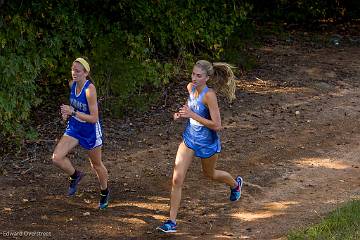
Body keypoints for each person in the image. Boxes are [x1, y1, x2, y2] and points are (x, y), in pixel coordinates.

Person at [157, 60, 243, 233]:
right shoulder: (190, 87)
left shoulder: (209, 95)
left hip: (207, 143)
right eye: (193, 74)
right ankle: (171, 222)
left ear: (207, 78)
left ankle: (235, 185)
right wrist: (182, 113)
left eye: (199, 76)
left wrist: (192, 115)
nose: (194, 78)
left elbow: (217, 125)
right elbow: (191, 106)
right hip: (189, 139)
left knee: (210, 174)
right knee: (176, 179)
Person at [52, 57, 109, 209]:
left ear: (86, 73)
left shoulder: (90, 90)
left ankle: (104, 192)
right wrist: (66, 113)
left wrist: (73, 112)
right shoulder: (72, 84)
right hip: (75, 127)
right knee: (57, 158)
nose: (74, 73)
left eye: (77, 71)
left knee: (96, 165)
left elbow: (94, 117)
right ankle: (75, 175)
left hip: (90, 131)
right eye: (72, 70)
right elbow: (74, 106)